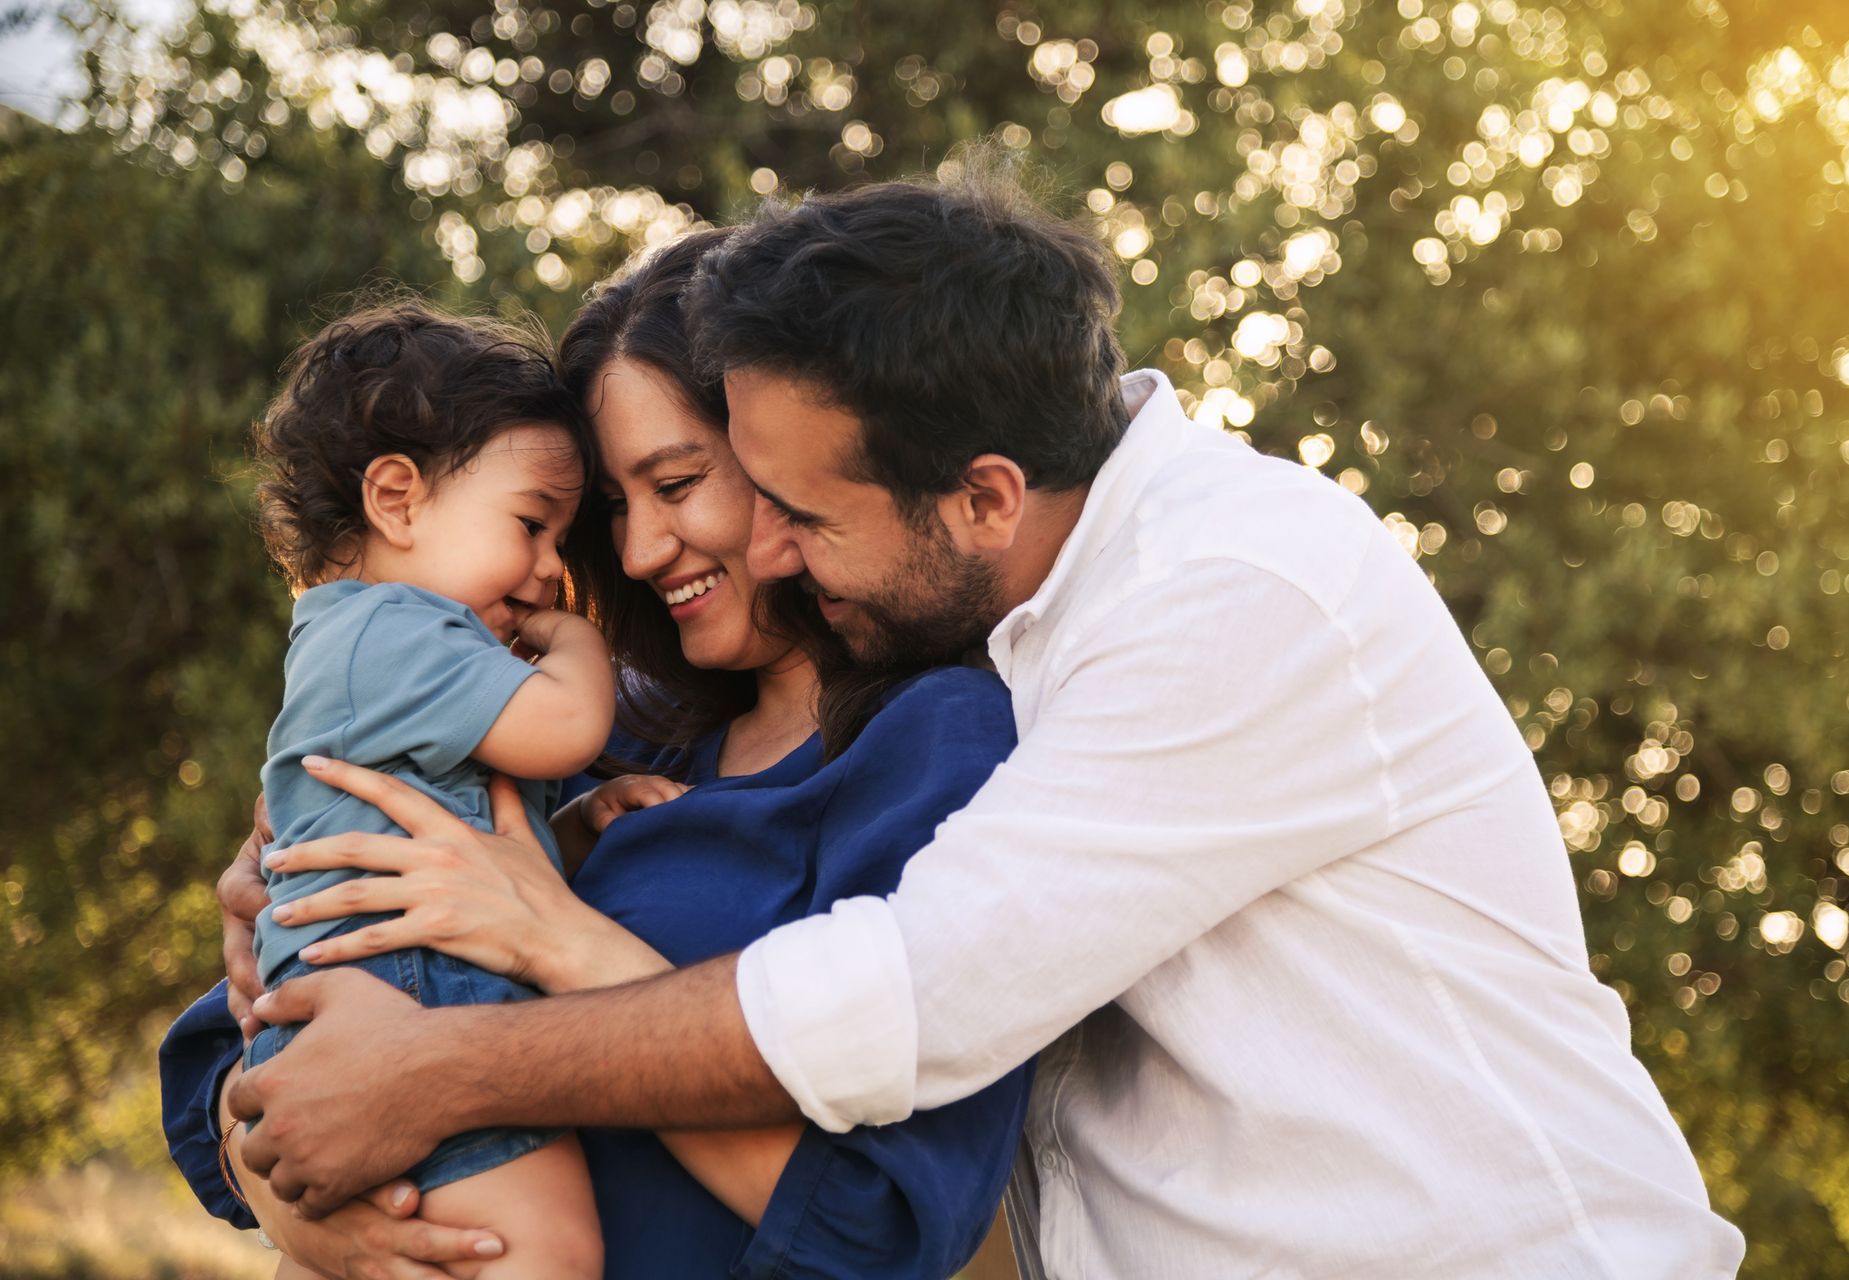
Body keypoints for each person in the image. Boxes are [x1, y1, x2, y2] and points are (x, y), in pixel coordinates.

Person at [214, 164, 1747, 1279]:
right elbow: (254, 1046)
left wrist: (449, 1067)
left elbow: (909, 1011)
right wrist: (295, 1163)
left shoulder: (1227, 596)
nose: (757, 550)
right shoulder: (671, 718)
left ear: (984, 494)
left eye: (769, 501)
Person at [160, 231, 1030, 1278]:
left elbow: (882, 1228)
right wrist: (314, 1211)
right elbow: (223, 1065)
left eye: (675, 482)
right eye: (613, 506)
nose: (634, 550)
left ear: (785, 456)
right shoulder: (595, 726)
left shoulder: (944, 742)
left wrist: (550, 936)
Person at [237, 301, 612, 1280]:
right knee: (544, 1248)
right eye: (533, 524)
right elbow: (568, 724)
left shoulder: (353, 639)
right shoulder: (404, 628)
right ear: (397, 499)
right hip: (411, 995)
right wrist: (579, 643)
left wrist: (574, 824)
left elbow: (468, 831)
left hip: (346, 1000)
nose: (546, 573)